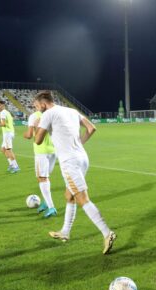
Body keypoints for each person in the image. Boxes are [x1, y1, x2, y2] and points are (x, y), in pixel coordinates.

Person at [34, 91, 116, 254]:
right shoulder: (71, 111)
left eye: (36, 106)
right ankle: (65, 231)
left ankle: (107, 233)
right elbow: (92, 128)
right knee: (69, 195)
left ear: (43, 104)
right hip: (82, 158)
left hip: (69, 162)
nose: (37, 109)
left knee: (82, 198)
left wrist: (38, 124)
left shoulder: (48, 114)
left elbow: (38, 140)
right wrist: (79, 144)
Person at [24, 100, 58, 218]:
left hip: (41, 152)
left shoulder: (34, 116)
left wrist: (25, 134)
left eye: (35, 104)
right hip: (53, 151)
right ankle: (45, 202)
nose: (34, 106)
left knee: (42, 178)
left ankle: (51, 207)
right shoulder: (52, 115)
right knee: (45, 178)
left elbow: (28, 135)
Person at [0, 100, 19, 173]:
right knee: (3, 149)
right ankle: (11, 164)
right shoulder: (7, 112)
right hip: (9, 132)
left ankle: (16, 166)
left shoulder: (2, 113)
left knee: (9, 150)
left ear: (3, 105)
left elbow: (3, 124)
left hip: (7, 133)